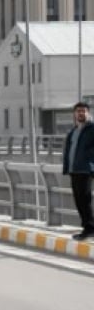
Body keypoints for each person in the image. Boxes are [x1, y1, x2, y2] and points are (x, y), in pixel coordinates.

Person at [62, 102, 94, 240]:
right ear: (74, 114)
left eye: (83, 111)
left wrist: (90, 160)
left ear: (88, 113)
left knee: (85, 199)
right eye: (78, 111)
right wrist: (67, 167)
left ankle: (90, 229)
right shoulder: (73, 131)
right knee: (78, 200)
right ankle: (87, 227)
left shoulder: (92, 129)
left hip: (86, 169)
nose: (80, 113)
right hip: (74, 170)